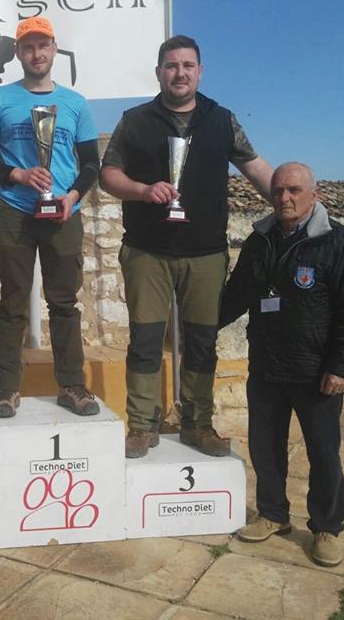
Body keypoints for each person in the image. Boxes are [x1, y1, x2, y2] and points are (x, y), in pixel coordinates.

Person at [99, 34, 274, 458]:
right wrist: (143, 191)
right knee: (145, 341)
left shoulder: (222, 120)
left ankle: (198, 425)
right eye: (172, 65)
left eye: (188, 65)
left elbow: (256, 168)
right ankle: (142, 425)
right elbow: (109, 175)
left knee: (201, 343)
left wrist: (294, 203)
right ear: (159, 72)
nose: (180, 73)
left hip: (205, 254)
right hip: (147, 251)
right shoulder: (135, 120)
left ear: (200, 71)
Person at [220, 162, 344, 567]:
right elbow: (237, 294)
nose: (284, 198)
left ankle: (327, 527)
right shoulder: (260, 240)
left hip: (316, 371)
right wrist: (198, 328)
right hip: (266, 366)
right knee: (265, 447)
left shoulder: (341, 243)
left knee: (323, 453)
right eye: (278, 191)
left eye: (293, 190)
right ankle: (273, 514)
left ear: (314, 195)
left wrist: (341, 367)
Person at [0, 16, 101, 418]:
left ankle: (72, 386)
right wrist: (18, 174)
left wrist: (72, 196)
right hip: (15, 210)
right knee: (13, 301)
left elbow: (91, 164)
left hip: (63, 214)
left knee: (64, 302)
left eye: (43, 45)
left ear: (54, 49)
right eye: (28, 47)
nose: (36, 53)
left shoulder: (75, 103)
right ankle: (7, 389)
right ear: (18, 53)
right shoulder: (0, 100)